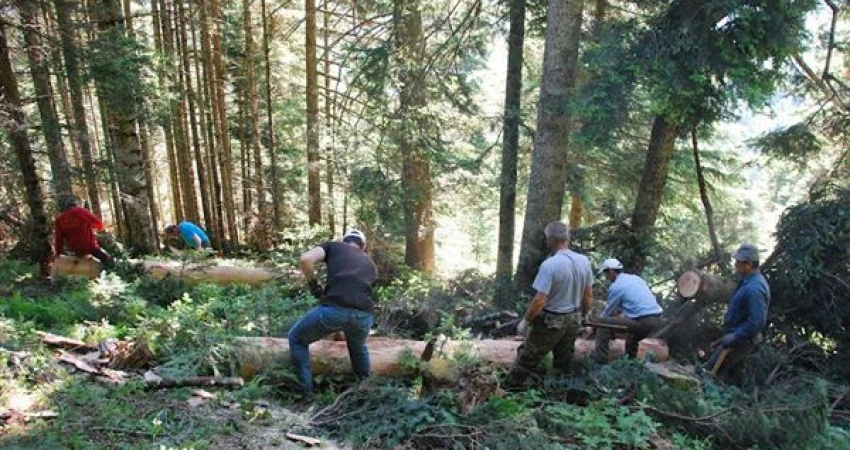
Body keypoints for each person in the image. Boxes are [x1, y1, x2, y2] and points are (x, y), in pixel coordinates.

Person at [504, 221, 594, 387]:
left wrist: (526, 321)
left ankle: (508, 391)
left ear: (550, 239)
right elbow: (588, 295)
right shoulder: (584, 262)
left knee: (528, 357)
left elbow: (539, 301)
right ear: (567, 238)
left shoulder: (550, 265)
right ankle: (561, 393)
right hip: (573, 319)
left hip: (552, 321)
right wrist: (585, 314)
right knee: (564, 360)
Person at [288, 229, 377, 393]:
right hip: (364, 315)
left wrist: (314, 286)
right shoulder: (370, 263)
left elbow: (305, 259)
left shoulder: (334, 247)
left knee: (296, 338)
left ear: (345, 241)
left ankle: (306, 393)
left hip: (335, 309)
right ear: (362, 246)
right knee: (358, 349)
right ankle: (366, 392)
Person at [705, 244, 770, 385]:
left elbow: (757, 321)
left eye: (739, 262)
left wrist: (735, 335)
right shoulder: (747, 280)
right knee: (723, 374)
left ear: (750, 264)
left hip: (742, 340)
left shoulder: (755, 289)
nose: (735, 264)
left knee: (711, 373)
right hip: (735, 336)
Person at [593, 258, 664, 363]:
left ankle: (599, 362)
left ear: (611, 271)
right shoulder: (636, 279)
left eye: (606, 273)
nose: (606, 277)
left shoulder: (616, 286)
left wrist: (595, 323)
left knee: (603, 323)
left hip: (645, 321)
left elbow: (607, 313)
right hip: (657, 318)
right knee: (632, 337)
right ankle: (631, 363)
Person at [53, 194, 114, 267]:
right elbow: (98, 224)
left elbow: (58, 239)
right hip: (90, 247)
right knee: (108, 260)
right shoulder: (81, 211)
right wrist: (97, 230)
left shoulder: (60, 219)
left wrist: (58, 254)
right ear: (76, 204)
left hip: (75, 250)